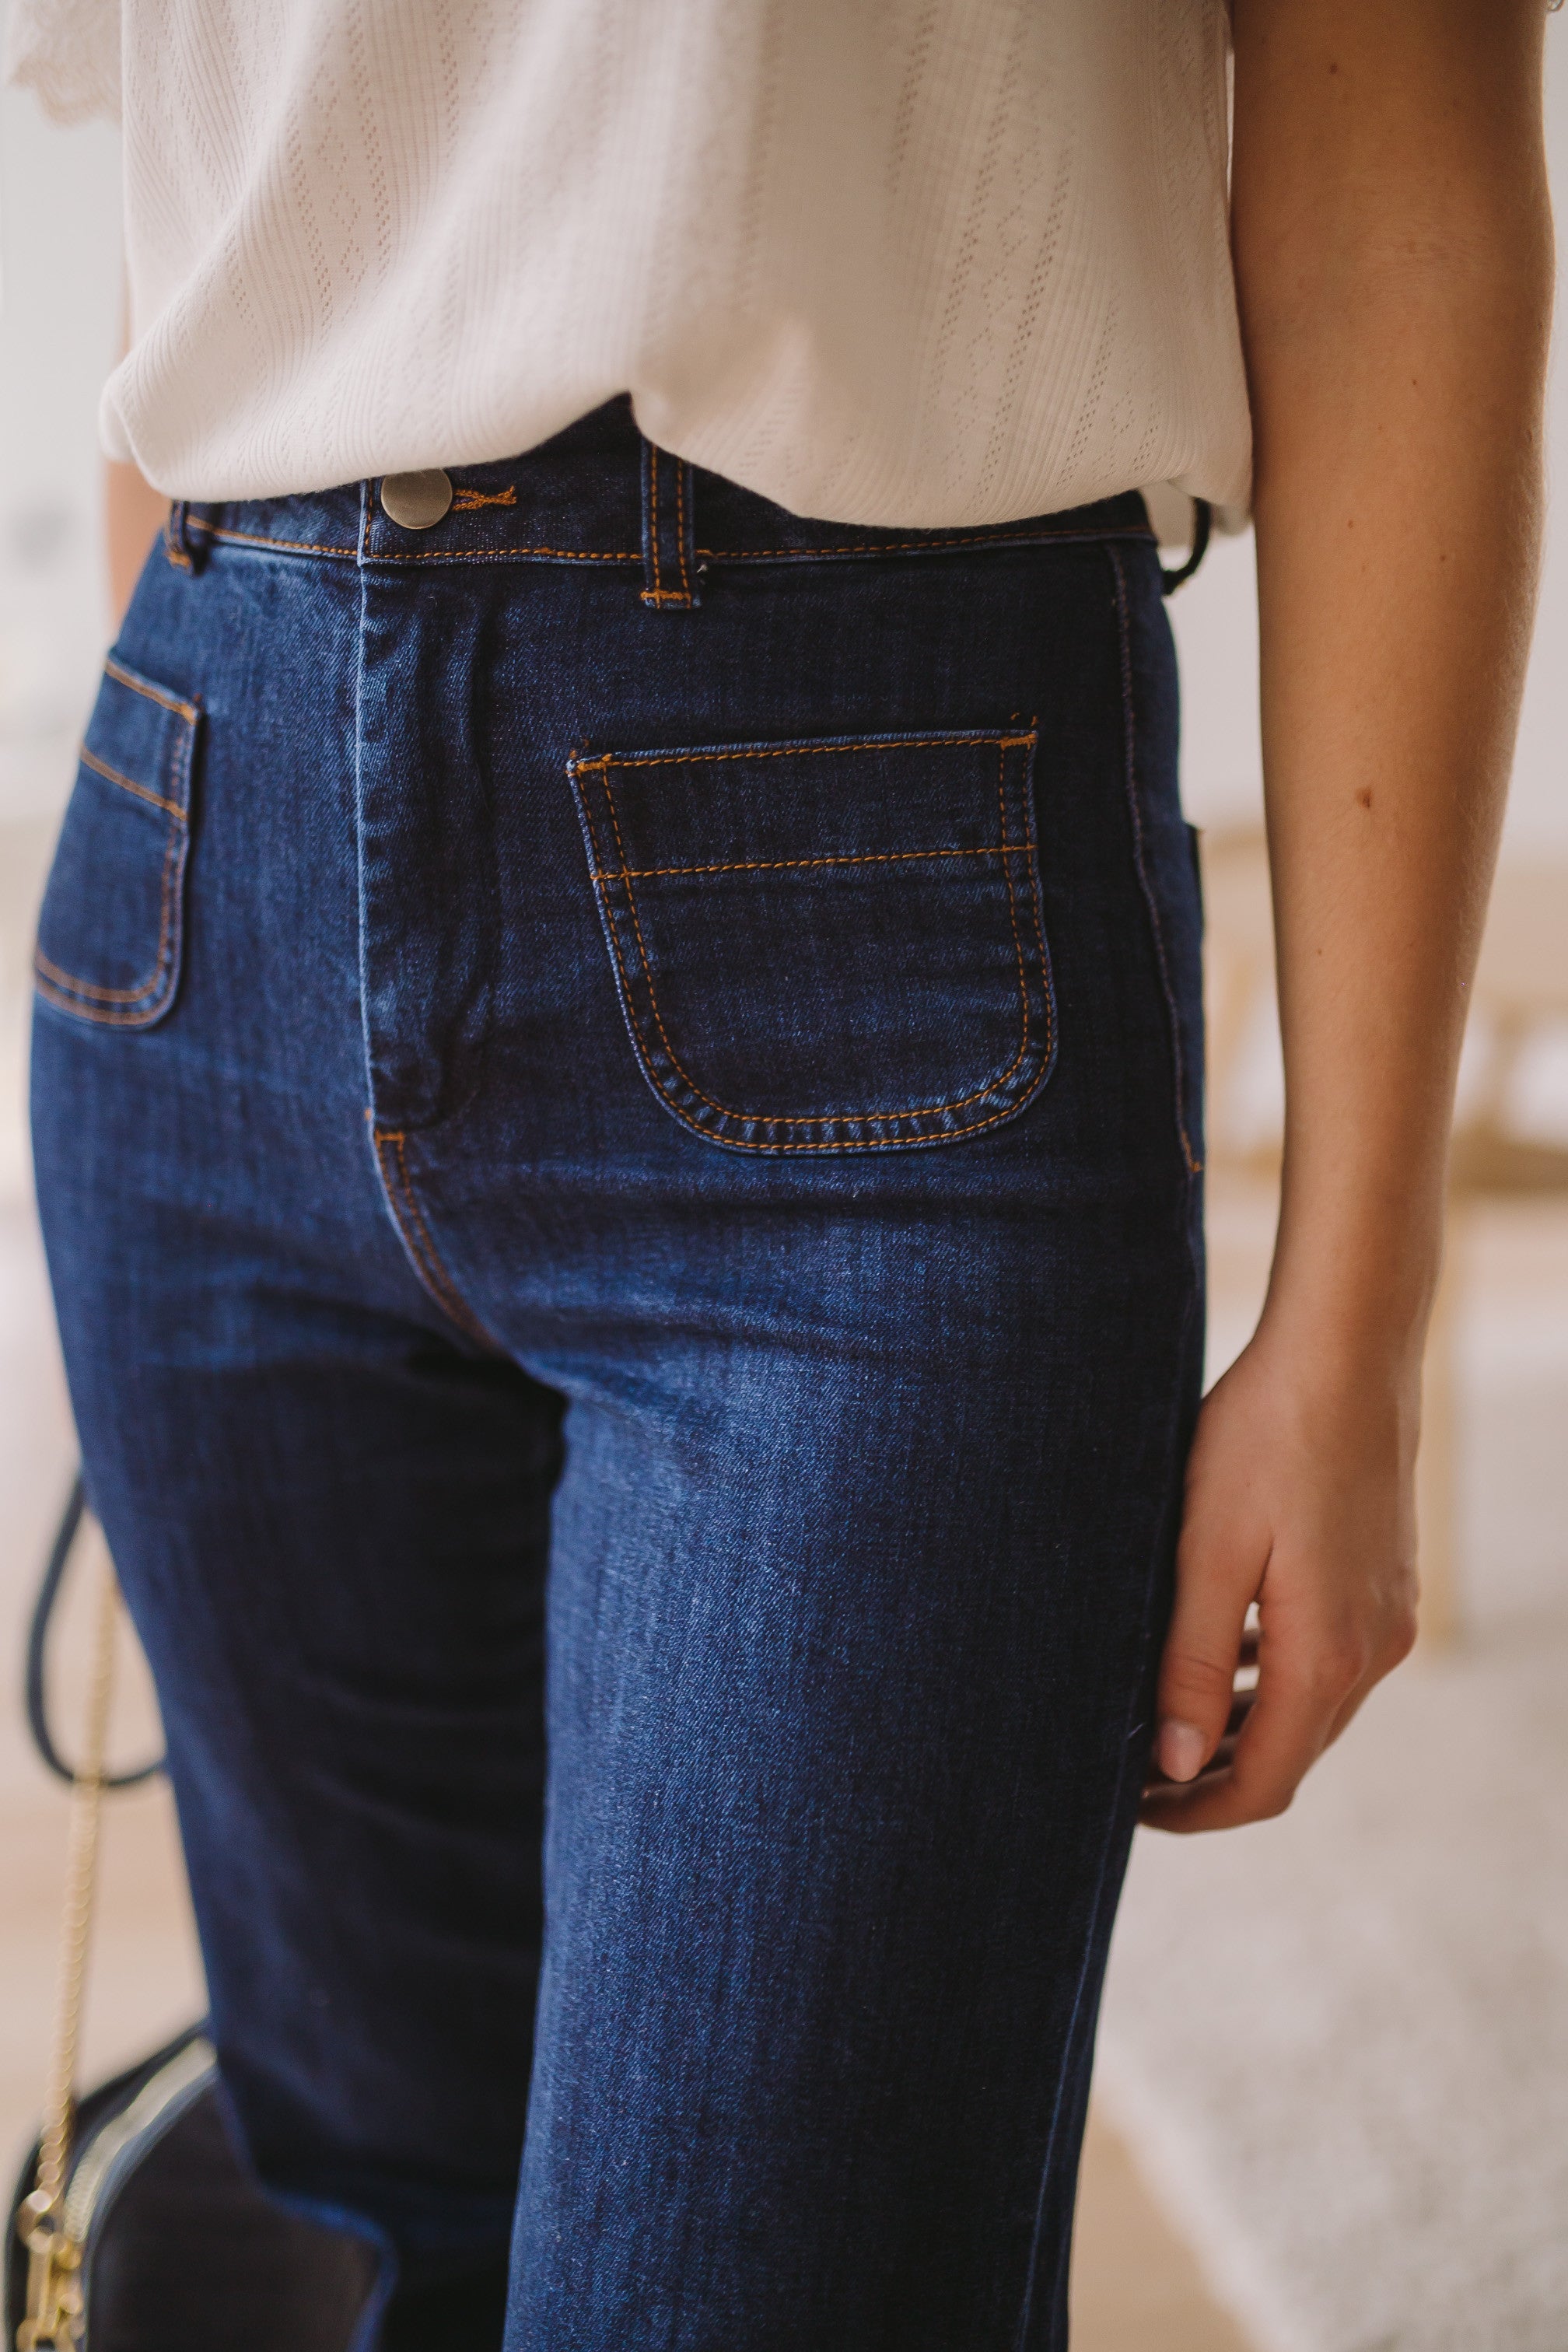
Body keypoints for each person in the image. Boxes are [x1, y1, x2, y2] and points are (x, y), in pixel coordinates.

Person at [6, 4, 1553, 2347]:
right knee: (368, 2233)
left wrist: (1355, 1315)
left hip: (885, 899)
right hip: (201, 872)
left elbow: (1401, 201)